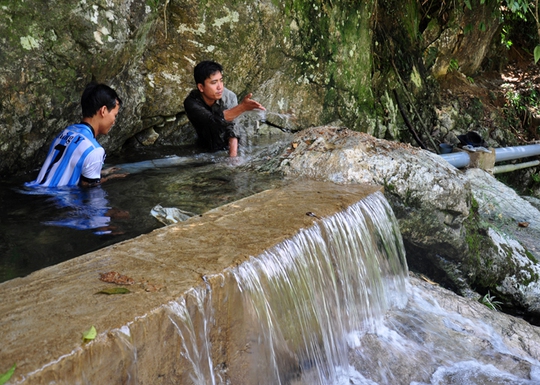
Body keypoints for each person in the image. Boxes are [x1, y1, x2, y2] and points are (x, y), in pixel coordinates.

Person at [26, 83, 125, 188]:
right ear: (103, 110)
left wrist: (100, 173)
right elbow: (89, 190)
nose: (114, 121)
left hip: (33, 189)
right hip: (55, 201)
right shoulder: (94, 150)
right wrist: (110, 178)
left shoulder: (66, 133)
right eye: (115, 115)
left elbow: (68, 168)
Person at [183, 60, 265, 157]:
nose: (220, 87)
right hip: (206, 143)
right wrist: (241, 108)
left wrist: (233, 158)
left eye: (221, 80)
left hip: (235, 144)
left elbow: (233, 128)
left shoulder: (229, 96)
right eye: (214, 82)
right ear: (201, 87)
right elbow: (211, 122)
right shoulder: (192, 103)